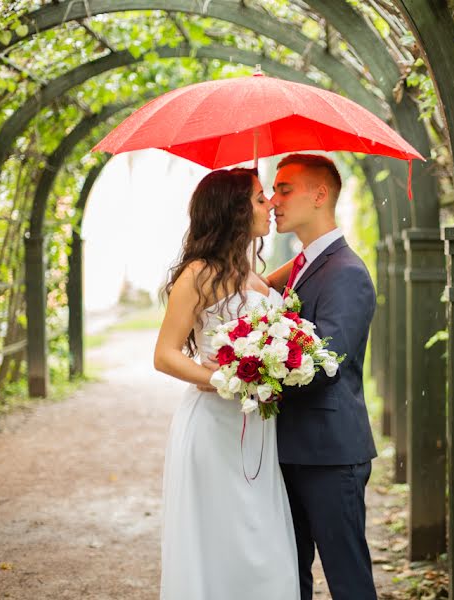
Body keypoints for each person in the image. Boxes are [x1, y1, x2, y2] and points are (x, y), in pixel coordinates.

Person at [153, 168, 298, 599]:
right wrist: (226, 380)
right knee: (220, 537)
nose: (269, 204)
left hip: (258, 424)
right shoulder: (199, 274)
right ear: (233, 211)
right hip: (214, 426)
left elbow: (308, 265)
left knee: (260, 537)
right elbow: (165, 354)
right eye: (258, 198)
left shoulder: (254, 274)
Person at [271, 154, 378, 599]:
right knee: (288, 575)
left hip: (331, 454)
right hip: (291, 447)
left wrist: (256, 372)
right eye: (273, 191)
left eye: (284, 189)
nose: (273, 200)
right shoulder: (302, 267)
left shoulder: (347, 273)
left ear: (320, 195)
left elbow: (325, 365)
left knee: (347, 580)